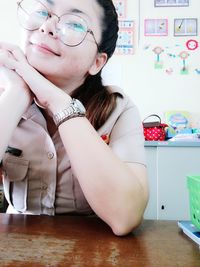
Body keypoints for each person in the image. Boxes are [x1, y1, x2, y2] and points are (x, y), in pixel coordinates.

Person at [0, 0, 148, 236]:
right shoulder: (4, 98)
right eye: (42, 12)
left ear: (97, 62)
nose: (47, 26)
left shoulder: (118, 108)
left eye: (74, 24)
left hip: (94, 251)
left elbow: (125, 216)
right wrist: (17, 94)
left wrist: (58, 102)